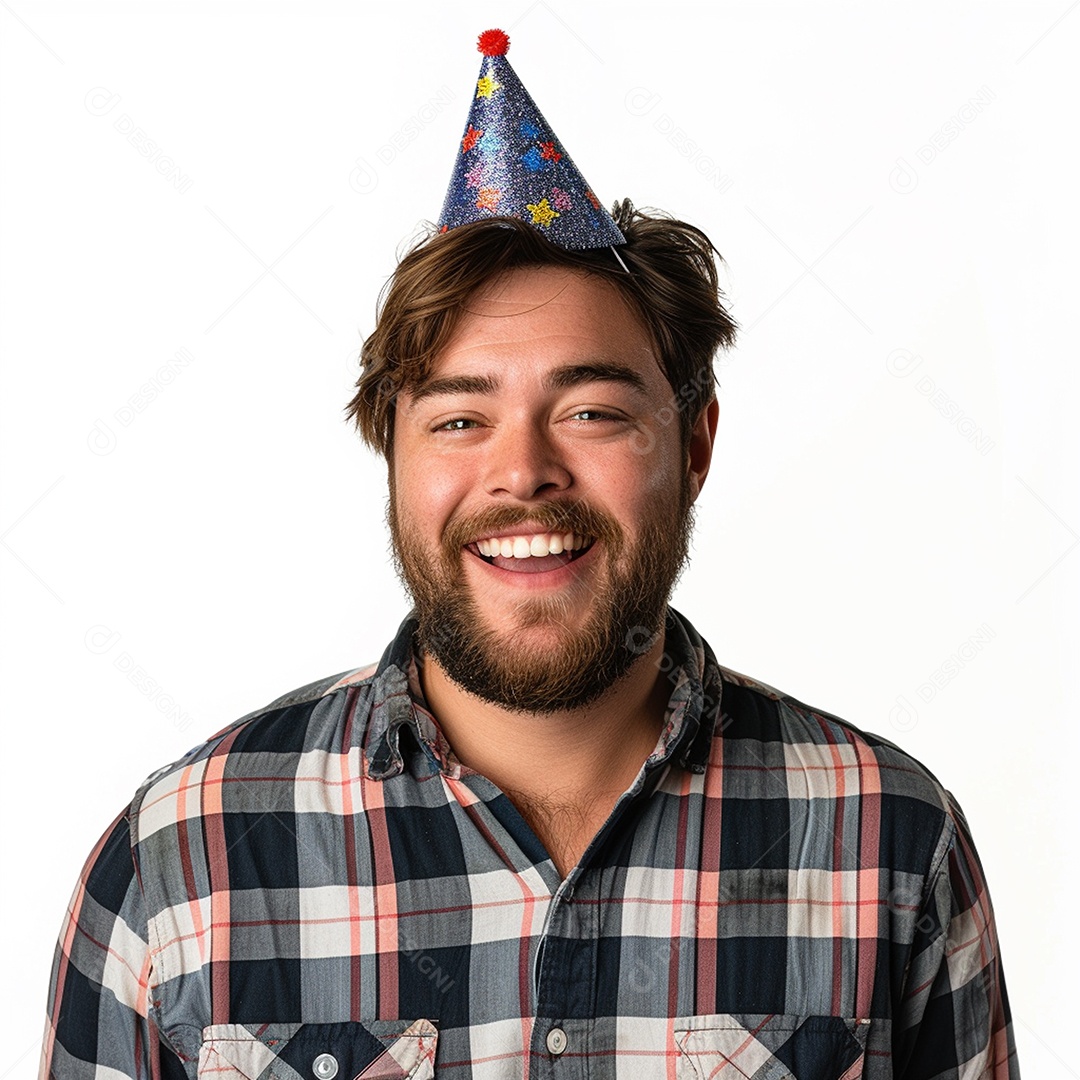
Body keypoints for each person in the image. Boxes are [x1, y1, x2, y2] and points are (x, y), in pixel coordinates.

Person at [40, 29, 1018, 1080]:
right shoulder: (178, 862)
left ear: (692, 445)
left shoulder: (893, 843)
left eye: (591, 411)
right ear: (393, 454)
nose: (524, 472)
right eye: (461, 420)